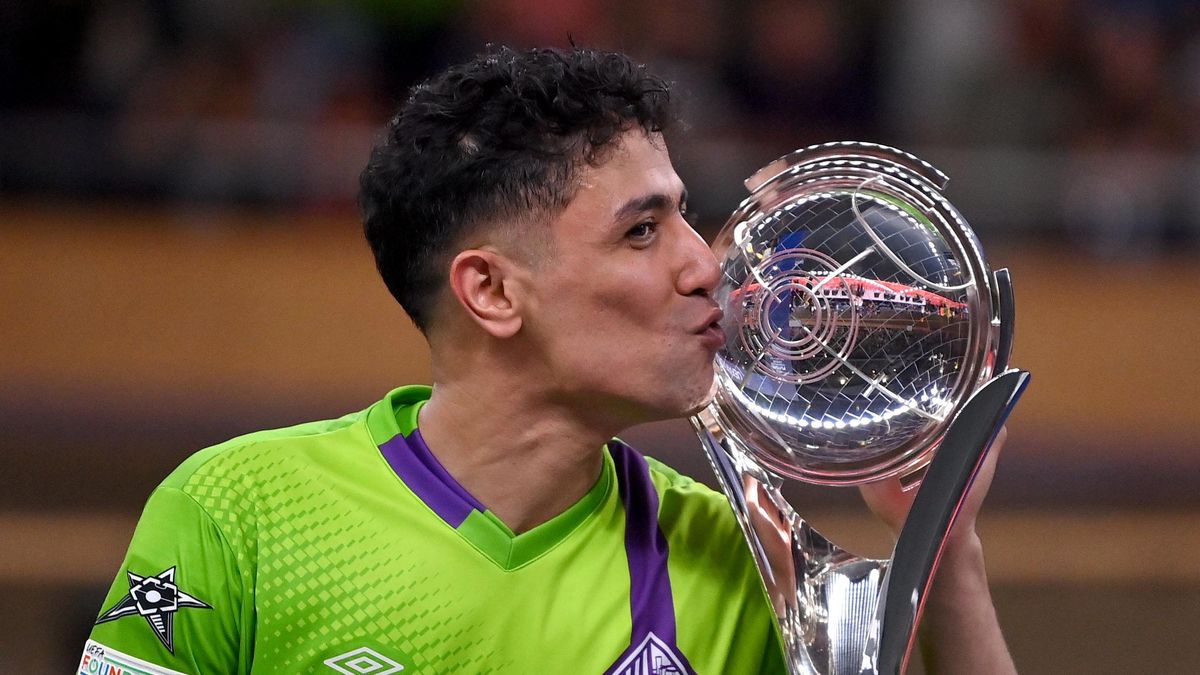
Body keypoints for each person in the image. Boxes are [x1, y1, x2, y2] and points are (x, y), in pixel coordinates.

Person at [79, 46, 1016, 674]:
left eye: (685, 214)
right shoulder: (240, 512)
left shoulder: (738, 564)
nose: (707, 263)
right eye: (644, 230)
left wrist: (949, 545)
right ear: (492, 291)